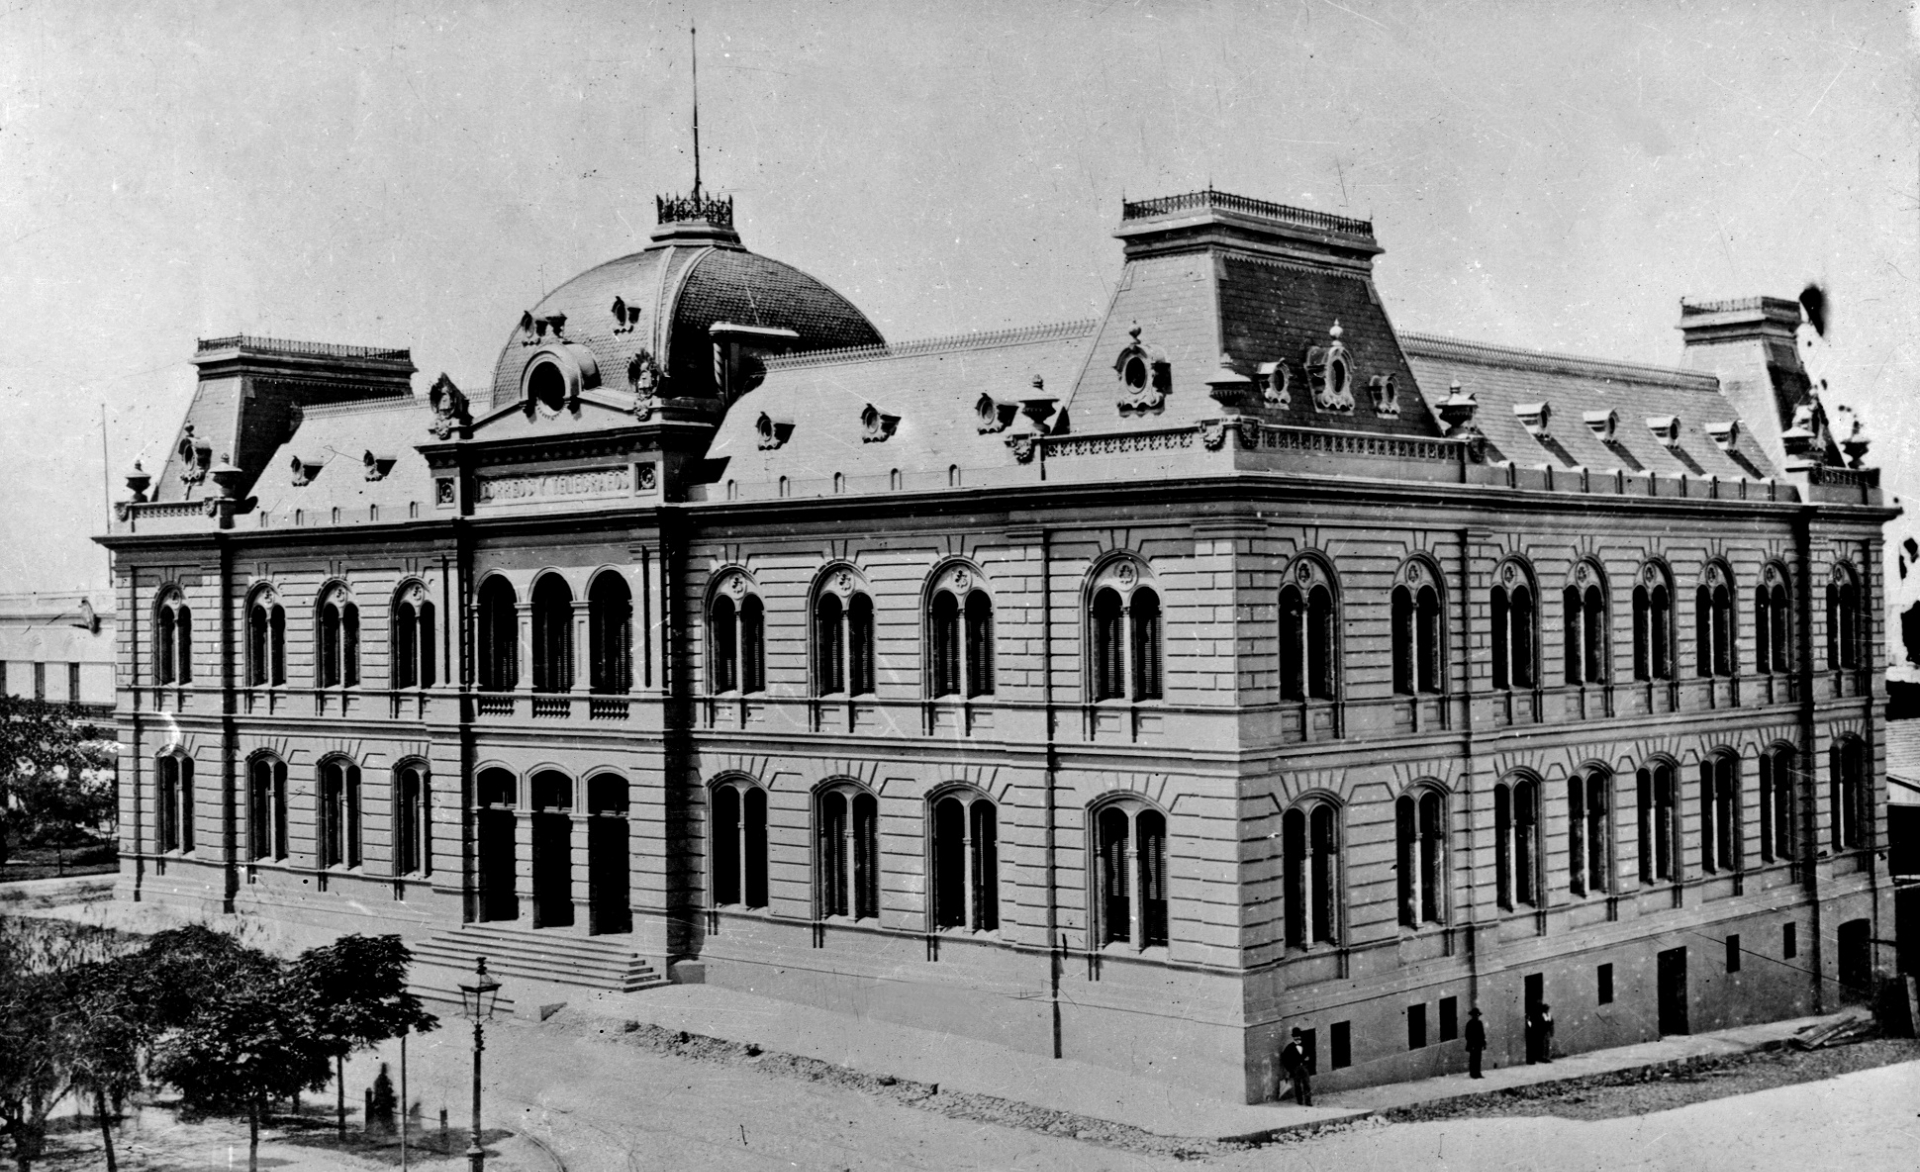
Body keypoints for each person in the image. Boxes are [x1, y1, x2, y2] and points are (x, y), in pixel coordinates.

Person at [1278, 1028, 1312, 1106]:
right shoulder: (1289, 1048)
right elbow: (1285, 1059)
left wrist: (1308, 1059)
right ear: (1293, 1038)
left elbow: (1310, 1054)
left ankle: (1308, 1101)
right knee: (1297, 1085)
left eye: (1299, 1037)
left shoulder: (1305, 1045)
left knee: (1307, 1084)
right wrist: (1290, 1069)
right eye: (1296, 1037)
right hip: (1296, 1069)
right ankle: (1300, 1101)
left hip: (1304, 1067)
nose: (1297, 1039)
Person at [1464, 1007, 1487, 1078]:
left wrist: (1483, 1043)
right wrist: (1471, 1043)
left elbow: (1482, 1034)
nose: (1476, 1016)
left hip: (1479, 1044)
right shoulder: (1469, 1024)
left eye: (1477, 1015)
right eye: (1474, 1015)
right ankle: (1473, 1073)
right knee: (1473, 1059)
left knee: (1478, 1059)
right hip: (1472, 1044)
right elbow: (1467, 1035)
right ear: (1472, 1015)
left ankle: (1478, 1073)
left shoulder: (1480, 1023)